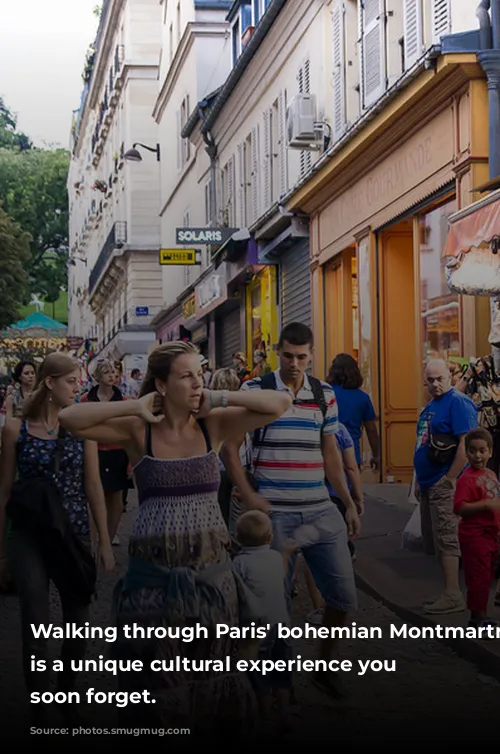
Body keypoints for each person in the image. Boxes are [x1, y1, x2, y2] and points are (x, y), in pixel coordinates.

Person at [58, 340, 292, 739]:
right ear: (162, 386)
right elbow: (69, 418)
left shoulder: (212, 425)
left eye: (199, 374)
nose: (196, 383)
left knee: (213, 679)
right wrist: (133, 405)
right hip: (152, 588)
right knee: (154, 686)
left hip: (211, 585)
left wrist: (216, 395)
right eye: (187, 377)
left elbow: (280, 403)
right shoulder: (139, 431)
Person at [221, 322, 360, 700]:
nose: (294, 363)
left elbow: (329, 450)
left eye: (301, 357)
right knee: (273, 610)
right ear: (276, 353)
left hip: (319, 510)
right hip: (274, 516)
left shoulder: (323, 393)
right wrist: (248, 493)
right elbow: (229, 446)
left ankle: (325, 667)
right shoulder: (256, 390)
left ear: (311, 354)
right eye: (287, 356)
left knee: (344, 597)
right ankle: (276, 690)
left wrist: (346, 502)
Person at [0, 353, 114, 734]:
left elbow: (93, 485)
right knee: (36, 626)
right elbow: (4, 492)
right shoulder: (15, 428)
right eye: (70, 382)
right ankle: (39, 711)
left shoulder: (83, 429)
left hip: (73, 534)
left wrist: (104, 541)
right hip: (29, 537)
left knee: (77, 628)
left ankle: (64, 698)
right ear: (49, 383)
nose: (77, 388)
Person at [414, 358, 478, 614]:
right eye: (430, 380)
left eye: (439, 379)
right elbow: (423, 443)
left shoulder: (458, 403)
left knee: (447, 538)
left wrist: (450, 478)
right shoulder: (431, 405)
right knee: (437, 540)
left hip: (444, 481)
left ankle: (453, 594)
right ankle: (448, 591)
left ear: (450, 377)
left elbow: (467, 443)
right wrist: (419, 482)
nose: (435, 384)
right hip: (429, 481)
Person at [232, 510, 294, 730]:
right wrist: (286, 554)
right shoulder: (275, 558)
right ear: (269, 538)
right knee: (281, 669)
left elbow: (235, 592)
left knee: (257, 671)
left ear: (237, 539)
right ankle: (284, 710)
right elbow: (282, 575)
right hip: (281, 625)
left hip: (254, 628)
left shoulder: (238, 564)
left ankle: (264, 711)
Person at [453, 428, 500, 629]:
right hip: (475, 536)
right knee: (478, 578)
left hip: (492, 535)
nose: (477, 456)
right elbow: (460, 507)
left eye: (482, 451)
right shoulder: (467, 478)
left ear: (490, 451)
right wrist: (486, 505)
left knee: (487, 576)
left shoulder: (490, 474)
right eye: (472, 451)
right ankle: (477, 618)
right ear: (466, 452)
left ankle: (483, 615)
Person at [80, 360, 129, 545]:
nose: (111, 375)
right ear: (98, 376)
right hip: (95, 452)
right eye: (107, 372)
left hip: (117, 453)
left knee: (116, 500)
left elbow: (128, 431)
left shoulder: (124, 401)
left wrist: (131, 462)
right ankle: (94, 541)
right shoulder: (86, 399)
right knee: (95, 498)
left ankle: (107, 538)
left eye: (113, 372)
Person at [326, 353, 380, 471]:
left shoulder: (325, 394)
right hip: (351, 451)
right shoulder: (362, 398)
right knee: (350, 486)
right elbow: (371, 429)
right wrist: (376, 455)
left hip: (327, 449)